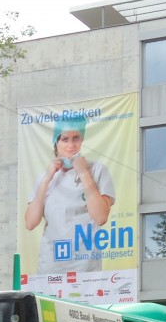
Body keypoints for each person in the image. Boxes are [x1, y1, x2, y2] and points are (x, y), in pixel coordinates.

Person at [23, 114, 116, 274]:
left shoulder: (97, 170)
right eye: (65, 139)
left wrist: (84, 173)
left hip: (86, 267)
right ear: (56, 142)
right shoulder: (44, 177)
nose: (71, 145)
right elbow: (30, 223)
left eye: (76, 138)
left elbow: (101, 217)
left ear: (82, 140)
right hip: (50, 266)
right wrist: (47, 179)